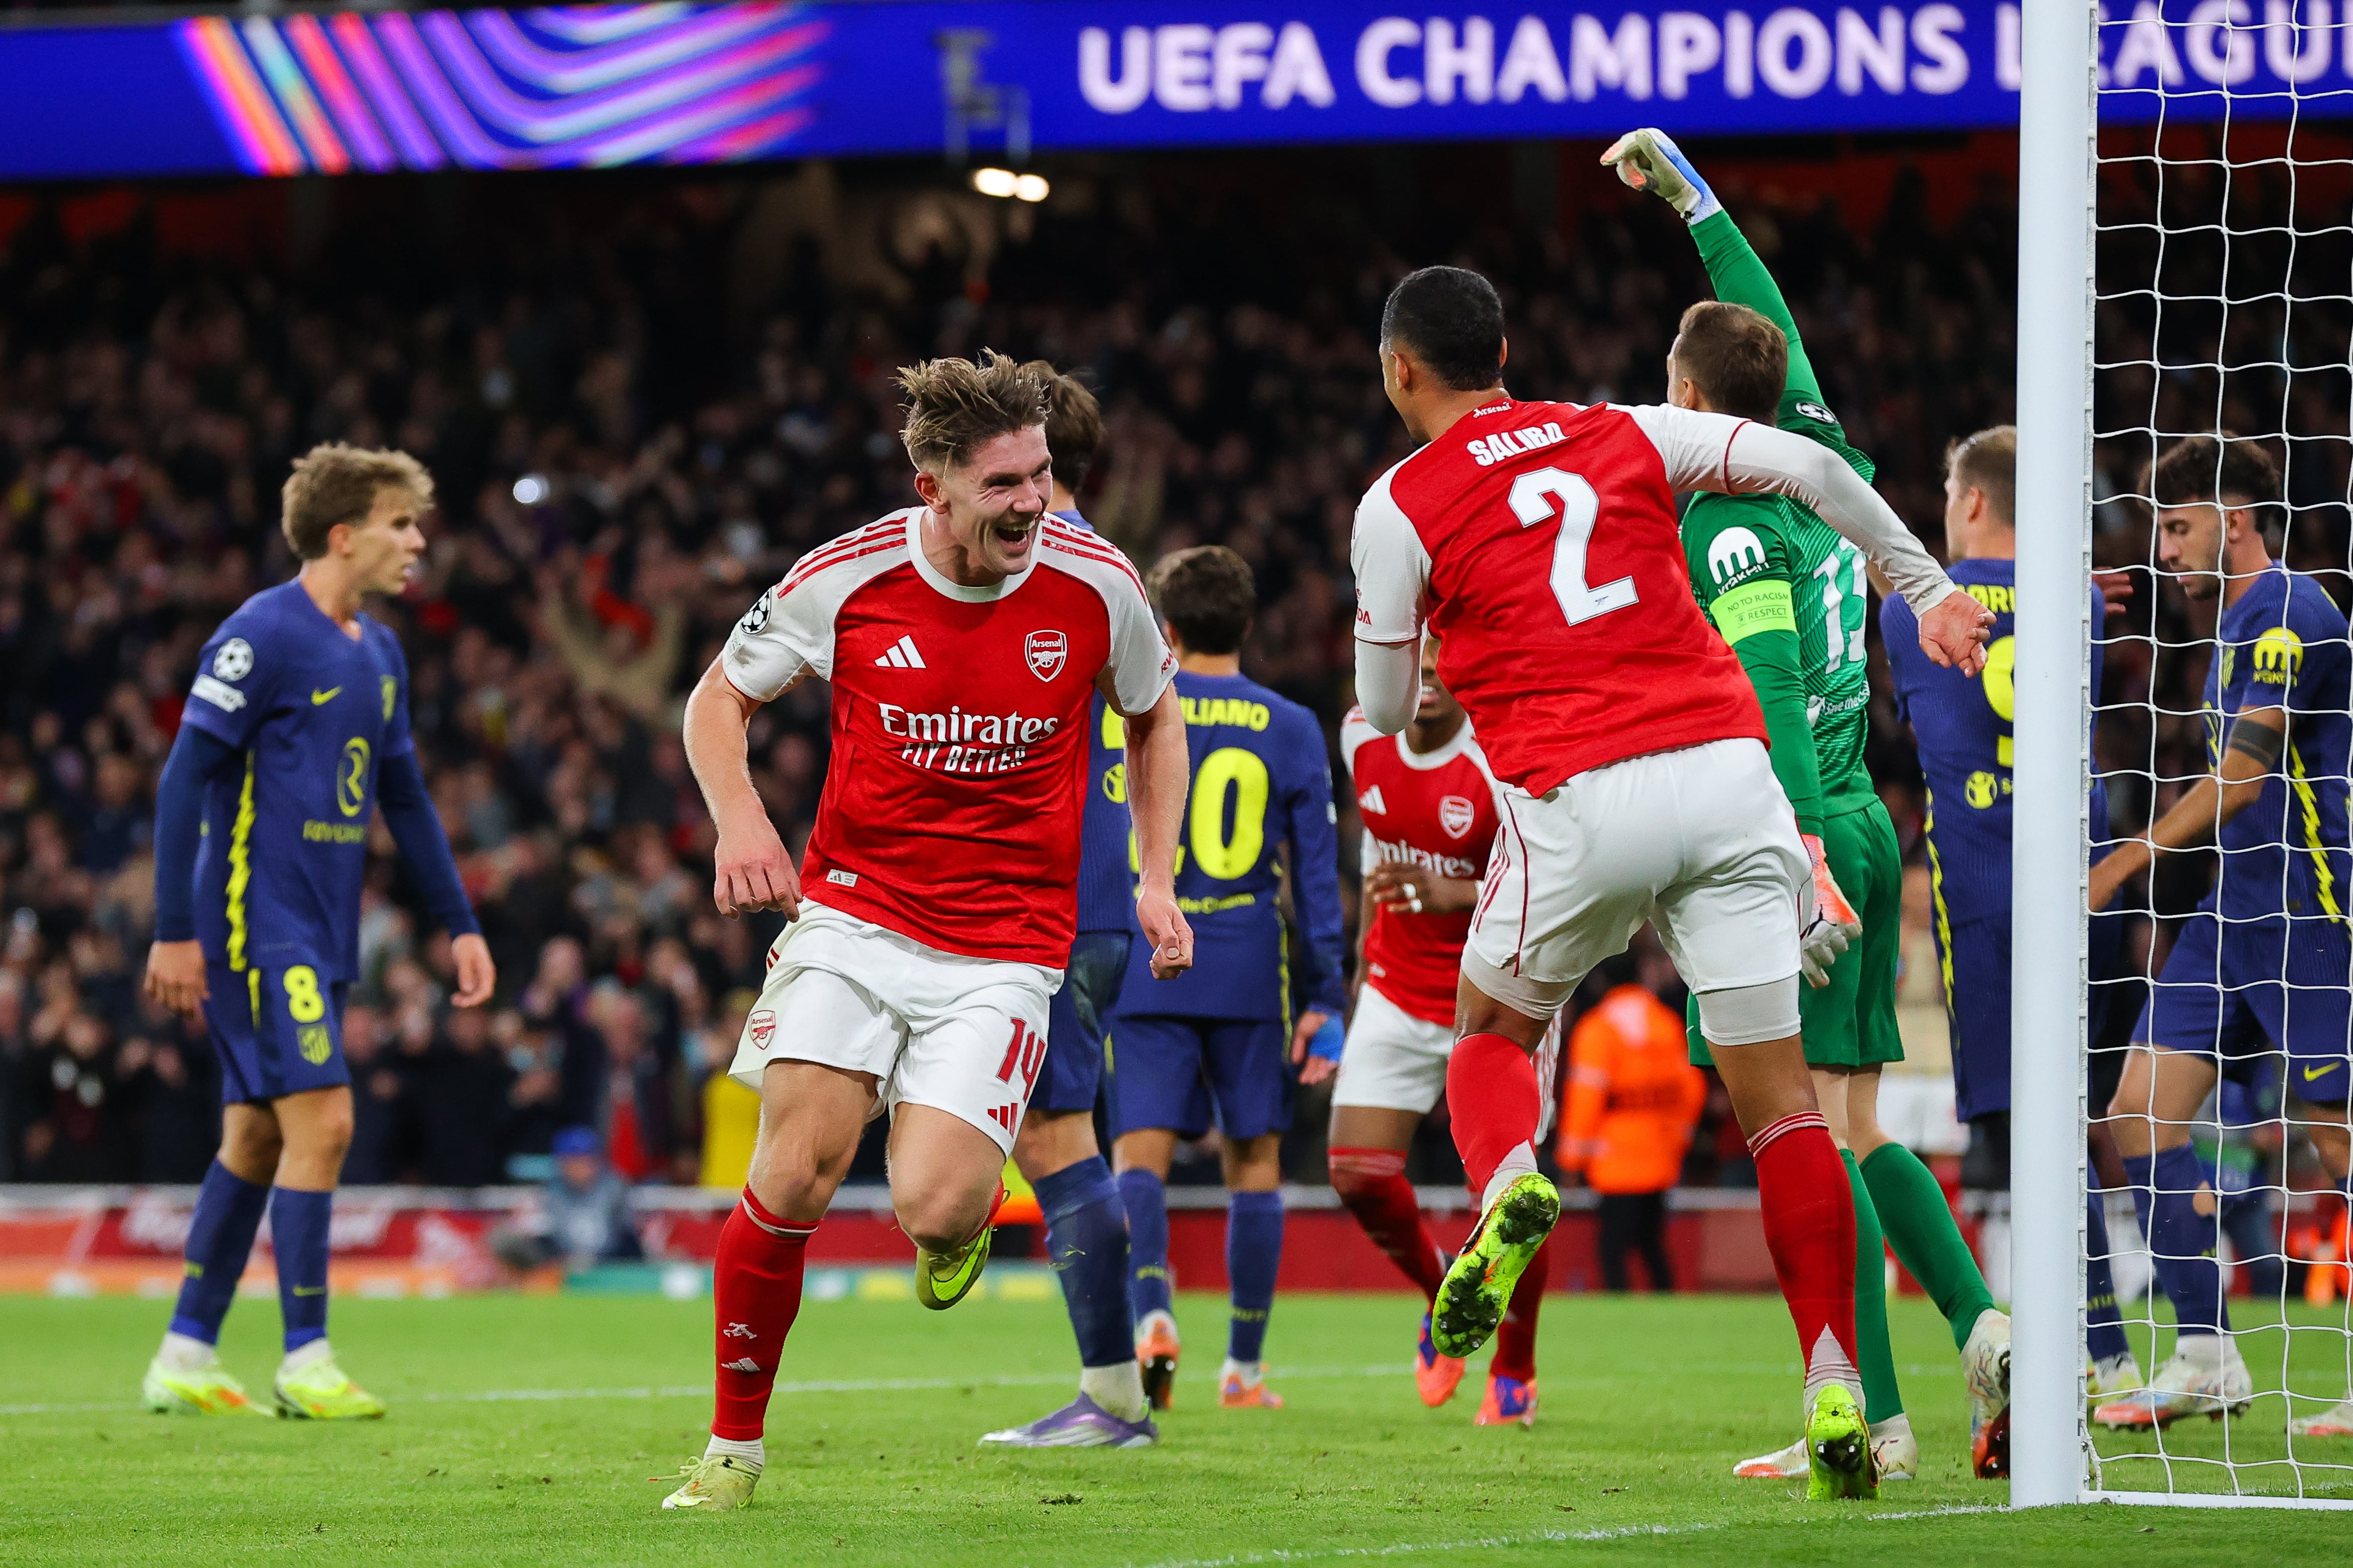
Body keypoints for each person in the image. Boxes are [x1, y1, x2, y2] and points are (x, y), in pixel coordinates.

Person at [1350, 262, 1991, 1501]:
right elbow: (1807, 467)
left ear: (1399, 371)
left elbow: (1385, 710)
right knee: (1787, 1109)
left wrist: (1438, 632)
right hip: (1726, 774)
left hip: (1580, 794)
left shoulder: (1399, 502)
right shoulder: (1619, 426)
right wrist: (1928, 590)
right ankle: (1833, 1382)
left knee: (1489, 1034)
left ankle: (1507, 1184)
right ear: (1504, 350)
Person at [662, 351, 1193, 1512]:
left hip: (1006, 945)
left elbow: (1157, 721)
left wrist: (1156, 876)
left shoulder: (1098, 584)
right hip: (853, 910)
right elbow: (717, 697)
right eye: (1004, 483)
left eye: (1042, 474)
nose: (1032, 502)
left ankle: (937, 1189)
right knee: (793, 1171)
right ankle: (732, 1454)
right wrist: (742, 821)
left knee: (940, 1205)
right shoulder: (847, 578)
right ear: (932, 487)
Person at [1607, 127, 2011, 1483]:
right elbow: (1768, 330)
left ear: (1682, 395)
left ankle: (1884, 1409)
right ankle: (1971, 1326)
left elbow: (1769, 692)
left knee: (1804, 1131)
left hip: (1806, 831)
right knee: (1847, 1129)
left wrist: (1782, 861)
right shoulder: (1812, 447)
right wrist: (1696, 203)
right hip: (1858, 819)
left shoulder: (1730, 524)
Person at [139, 443, 494, 1420]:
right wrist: (175, 931)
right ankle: (305, 1358)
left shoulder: (378, 653)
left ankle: (183, 1351)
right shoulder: (260, 635)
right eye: (399, 523)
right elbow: (183, 780)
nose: (418, 541)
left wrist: (458, 922)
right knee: (327, 1122)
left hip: (322, 925)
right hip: (256, 921)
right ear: (344, 534)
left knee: (258, 1137)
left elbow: (407, 799)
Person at [2085, 436, 2353, 1435]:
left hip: (2308, 906)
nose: (2165, 547)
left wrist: (2119, 862)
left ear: (2232, 520)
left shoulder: (2287, 609)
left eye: (2178, 524)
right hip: (2230, 911)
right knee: (2141, 1107)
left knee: (2334, 1134)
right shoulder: (2233, 622)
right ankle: (2205, 1352)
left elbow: (2242, 778)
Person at [1878, 426, 2147, 1420]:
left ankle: (2098, 1349)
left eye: (1951, 490)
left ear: (1975, 503)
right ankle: (2143, 1335)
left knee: (2027, 1132)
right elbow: (2057, 598)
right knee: (2085, 1116)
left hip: (1985, 897)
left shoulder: (1912, 611)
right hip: (2088, 885)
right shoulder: (2075, 599)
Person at [1106, 544, 1346, 1414]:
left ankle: (1153, 1311)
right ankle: (1242, 1367)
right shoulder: (1288, 726)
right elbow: (1315, 879)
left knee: (1139, 1153)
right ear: (1246, 625)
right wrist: (1327, 995)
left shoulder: (1125, 713)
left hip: (1144, 950)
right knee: (1255, 1162)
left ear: (1163, 628)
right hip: (1248, 956)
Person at [980, 364, 1157, 1449]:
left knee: (1053, 1136)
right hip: (1087, 896)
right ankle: (1116, 1393)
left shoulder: (1044, 568)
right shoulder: (1112, 570)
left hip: (1050, 896)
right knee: (1048, 1130)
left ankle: (1118, 1399)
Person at [1326, 636, 1561, 1426]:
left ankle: (1516, 1374)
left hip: (1496, 1000)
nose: (1423, 688)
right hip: (1394, 988)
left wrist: (1454, 891)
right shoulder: (1361, 731)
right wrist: (1357, 982)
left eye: (1438, 674)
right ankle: (1445, 1303)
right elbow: (1372, 865)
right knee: (1356, 1171)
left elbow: (1555, 876)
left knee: (1509, 1199)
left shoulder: (1501, 753)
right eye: (1413, 673)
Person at [1556, 966, 1704, 1294]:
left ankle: (1619, 1307)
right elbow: (1692, 1087)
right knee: (1652, 1241)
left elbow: (1586, 1098)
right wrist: (1680, 1136)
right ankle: (1667, 1305)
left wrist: (1571, 1161)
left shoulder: (1597, 1028)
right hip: (1661, 1152)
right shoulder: (1665, 1022)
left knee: (1613, 1246)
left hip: (1615, 1158)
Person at [489, 1125, 644, 1274]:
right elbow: (544, 1236)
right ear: (561, 1163)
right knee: (503, 1238)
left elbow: (626, 1235)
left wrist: (597, 1259)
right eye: (572, 1161)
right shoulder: (549, 1194)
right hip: (561, 1266)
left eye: (585, 1159)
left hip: (609, 1265)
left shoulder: (615, 1189)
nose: (579, 1167)